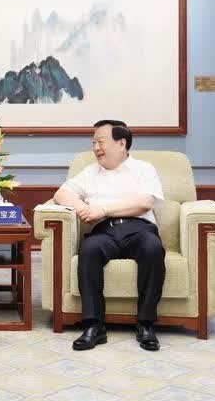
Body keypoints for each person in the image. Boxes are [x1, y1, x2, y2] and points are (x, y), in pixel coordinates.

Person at [53, 120, 166, 351]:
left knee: (152, 249)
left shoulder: (143, 169)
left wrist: (103, 209)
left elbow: (145, 202)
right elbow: (61, 194)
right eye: (93, 143)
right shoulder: (90, 172)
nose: (96, 148)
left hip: (139, 228)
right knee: (89, 250)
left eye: (101, 142)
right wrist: (84, 208)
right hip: (105, 231)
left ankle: (145, 324)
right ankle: (94, 325)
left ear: (121, 143)